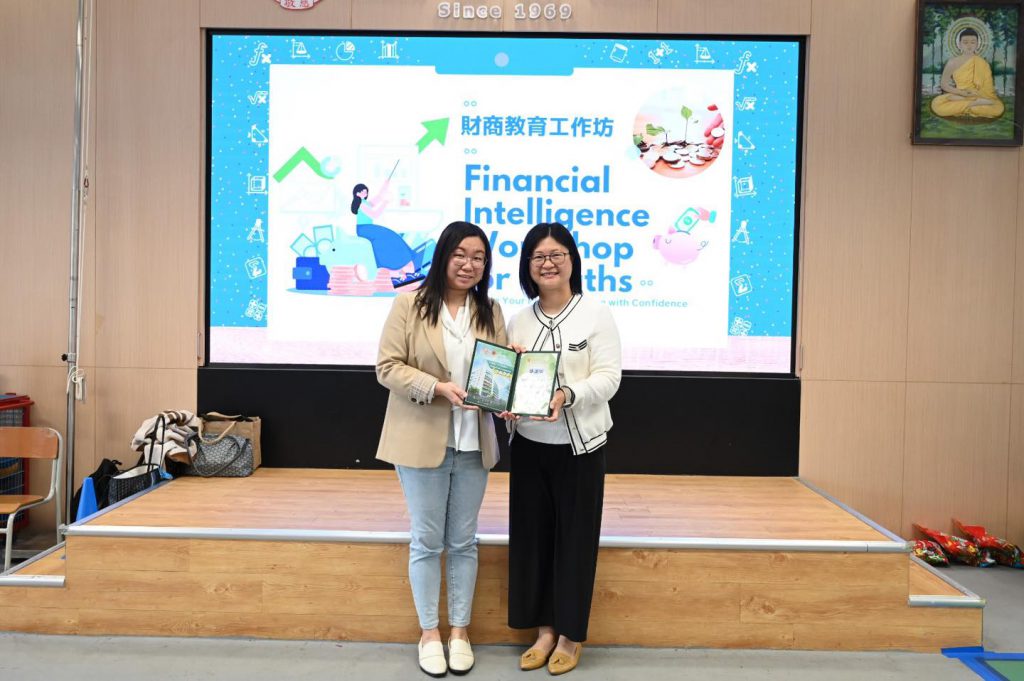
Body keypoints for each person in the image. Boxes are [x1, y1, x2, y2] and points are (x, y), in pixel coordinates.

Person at [375, 221, 507, 677]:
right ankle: (430, 632)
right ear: (443, 256)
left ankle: (460, 631)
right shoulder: (408, 304)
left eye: (479, 257)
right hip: (420, 440)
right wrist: (436, 387)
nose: (469, 264)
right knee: (428, 540)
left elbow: (499, 372)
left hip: (473, 442)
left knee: (464, 541)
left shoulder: (490, 310)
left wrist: (510, 384)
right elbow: (387, 367)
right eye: (461, 254)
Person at [503, 223, 622, 675]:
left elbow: (609, 378)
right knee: (533, 541)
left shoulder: (596, 313)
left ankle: (570, 637)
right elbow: (510, 377)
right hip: (529, 447)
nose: (548, 263)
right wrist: (505, 400)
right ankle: (544, 631)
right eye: (538, 257)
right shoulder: (519, 319)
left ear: (572, 260)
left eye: (557, 255)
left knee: (575, 542)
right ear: (527, 266)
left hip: (580, 449)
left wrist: (568, 394)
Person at [930, 27, 1005, 120]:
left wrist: (978, 95)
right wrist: (961, 93)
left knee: (998, 108)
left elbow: (988, 89)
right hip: (960, 94)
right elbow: (944, 84)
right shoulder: (953, 62)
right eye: (965, 42)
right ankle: (973, 104)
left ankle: (968, 105)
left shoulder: (983, 63)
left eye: (973, 42)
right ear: (959, 44)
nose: (969, 45)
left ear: (977, 44)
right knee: (936, 104)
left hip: (978, 95)